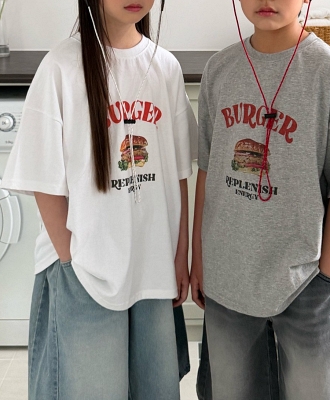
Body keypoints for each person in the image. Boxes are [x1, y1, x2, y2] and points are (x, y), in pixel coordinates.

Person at [190, 0, 330, 399]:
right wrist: (201, 259)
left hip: (306, 281)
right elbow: (208, 171)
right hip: (228, 276)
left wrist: (328, 279)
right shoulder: (220, 69)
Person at [0, 0, 197, 399]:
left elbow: (178, 172)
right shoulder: (61, 66)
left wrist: (180, 256)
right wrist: (71, 260)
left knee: (155, 388)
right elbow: (44, 181)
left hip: (152, 268)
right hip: (84, 270)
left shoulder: (165, 67)